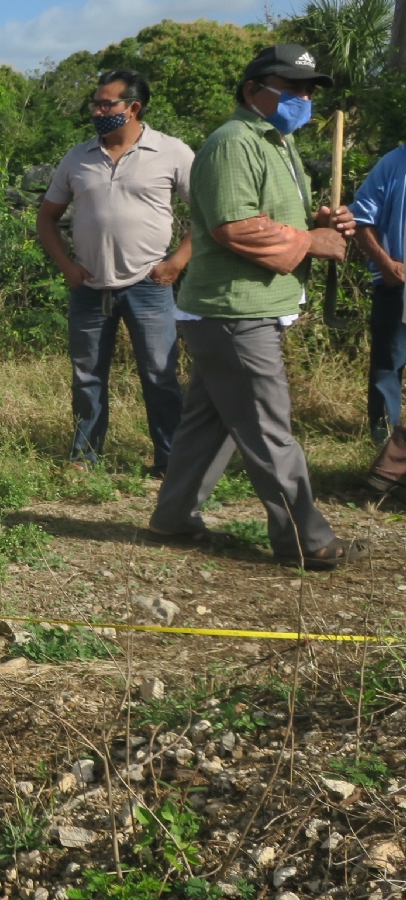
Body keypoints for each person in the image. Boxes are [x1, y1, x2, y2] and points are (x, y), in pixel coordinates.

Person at [148, 44, 364, 569]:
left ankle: (173, 518)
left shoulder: (276, 143)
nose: (304, 98)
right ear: (253, 91)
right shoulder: (232, 143)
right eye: (292, 88)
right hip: (233, 312)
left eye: (309, 90)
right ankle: (305, 540)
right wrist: (311, 242)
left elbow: (269, 214)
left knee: (211, 422)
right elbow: (234, 226)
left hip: (240, 309)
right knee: (268, 429)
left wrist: (320, 222)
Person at [36, 70, 194, 476]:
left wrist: (177, 262)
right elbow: (47, 218)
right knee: (87, 377)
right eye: (96, 103)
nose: (98, 111)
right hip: (89, 288)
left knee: (160, 375)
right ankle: (84, 457)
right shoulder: (78, 156)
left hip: (150, 286)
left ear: (133, 108)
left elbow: (209, 215)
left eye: (107, 104)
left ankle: (171, 460)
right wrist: (68, 267)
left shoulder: (172, 152)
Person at [350, 141, 406, 445]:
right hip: (398, 281)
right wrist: (385, 264)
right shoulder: (393, 164)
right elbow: (361, 218)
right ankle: (385, 441)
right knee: (389, 361)